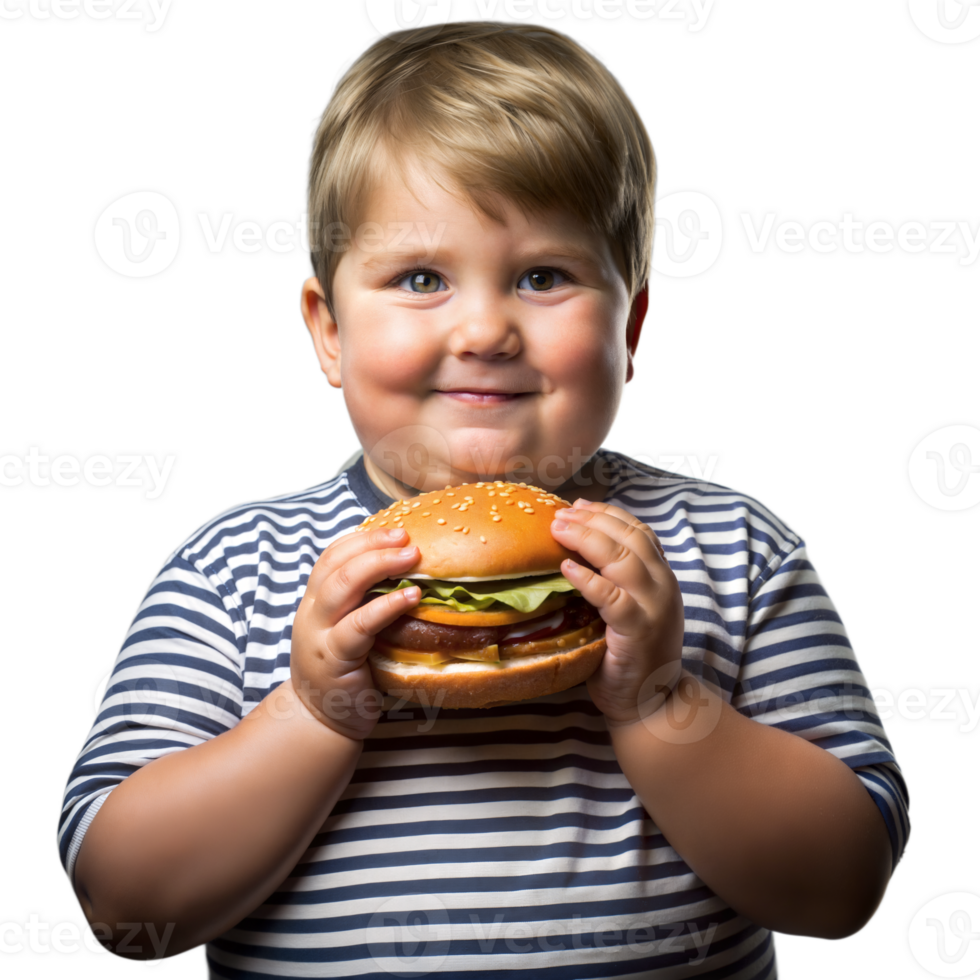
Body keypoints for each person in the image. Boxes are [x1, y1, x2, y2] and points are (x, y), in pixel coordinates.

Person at [56, 19, 911, 978]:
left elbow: (842, 887)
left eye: (543, 277)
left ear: (632, 322)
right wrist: (312, 711)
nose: (484, 329)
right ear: (327, 329)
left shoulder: (733, 548)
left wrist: (662, 702)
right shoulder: (232, 568)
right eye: (420, 278)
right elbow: (125, 903)